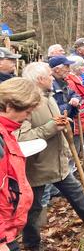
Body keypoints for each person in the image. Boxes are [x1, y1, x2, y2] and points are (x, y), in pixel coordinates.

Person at [16, 63, 84, 251]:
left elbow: (55, 125)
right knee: (33, 209)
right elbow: (21, 138)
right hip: (37, 166)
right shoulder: (26, 103)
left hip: (58, 161)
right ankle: (32, 244)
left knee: (78, 194)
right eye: (49, 75)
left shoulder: (48, 97)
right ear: (40, 79)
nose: (52, 78)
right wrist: (52, 127)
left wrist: (63, 132)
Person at [0, 78, 42, 251]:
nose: (27, 118)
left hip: (9, 229)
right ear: (9, 106)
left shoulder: (7, 133)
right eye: (26, 111)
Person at [65, 56, 84, 152]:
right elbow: (73, 99)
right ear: (77, 67)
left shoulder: (78, 79)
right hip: (76, 120)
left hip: (83, 118)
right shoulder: (71, 82)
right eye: (82, 65)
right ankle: (74, 166)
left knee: (80, 144)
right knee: (75, 147)